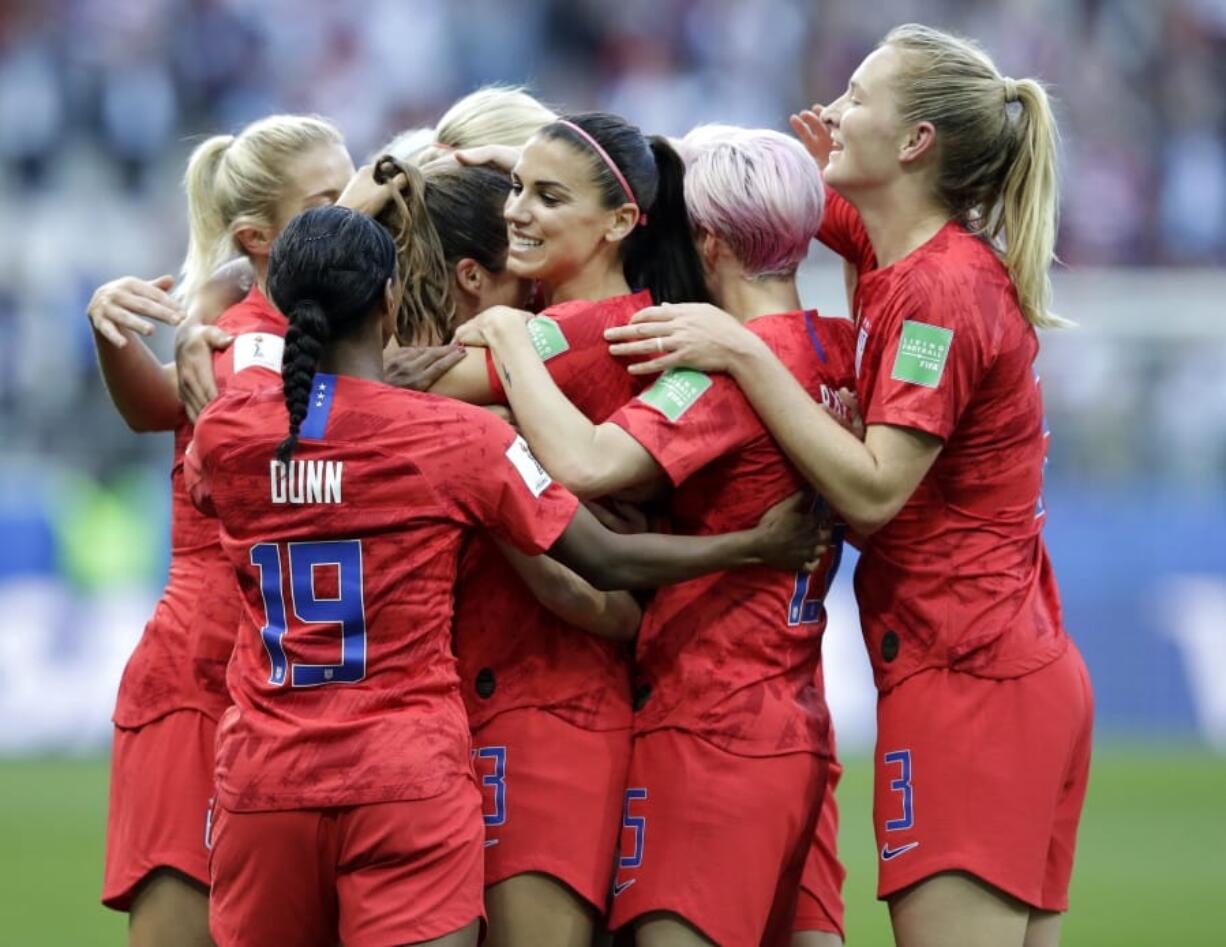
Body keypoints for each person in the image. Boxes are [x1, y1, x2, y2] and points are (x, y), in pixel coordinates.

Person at [186, 205, 828, 947]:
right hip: (407, 779)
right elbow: (604, 559)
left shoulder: (228, 432)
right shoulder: (462, 437)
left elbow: (232, 471)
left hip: (266, 778)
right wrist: (749, 545)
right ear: (390, 301)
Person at [605, 24, 1093, 947]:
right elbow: (753, 203)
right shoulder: (901, 252)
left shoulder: (939, 293)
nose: (829, 112)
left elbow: (873, 493)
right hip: (1012, 666)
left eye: (857, 96)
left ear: (915, 144)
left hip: (970, 680)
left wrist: (745, 355)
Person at [455, 126, 854, 947]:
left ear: (703, 236)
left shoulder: (704, 367)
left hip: (705, 726)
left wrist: (500, 343)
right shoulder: (840, 350)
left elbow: (587, 461)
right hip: (800, 725)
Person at [89, 113, 355, 946]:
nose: (353, 210)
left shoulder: (348, 328)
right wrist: (109, 326)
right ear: (257, 236)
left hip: (301, 686)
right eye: (329, 198)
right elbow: (152, 404)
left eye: (355, 187)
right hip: (206, 674)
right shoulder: (233, 337)